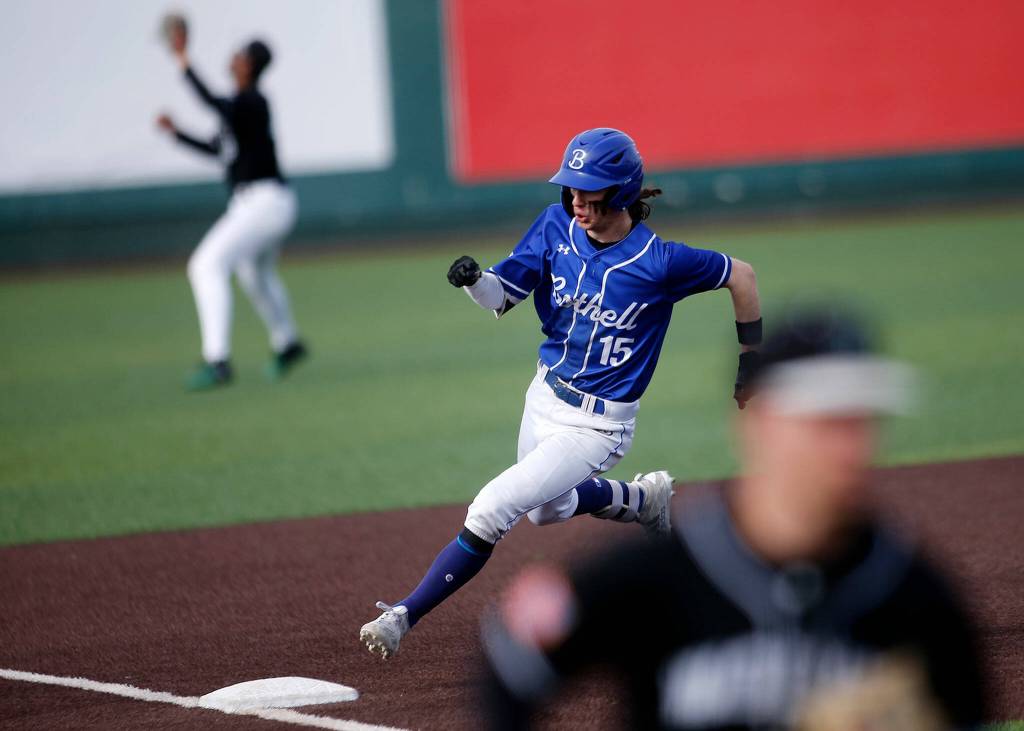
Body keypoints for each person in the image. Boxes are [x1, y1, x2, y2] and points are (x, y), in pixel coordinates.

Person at [481, 307, 987, 730]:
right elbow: (513, 661)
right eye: (825, 422)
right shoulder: (656, 578)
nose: (850, 447)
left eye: (861, 421)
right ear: (760, 424)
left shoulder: (915, 597)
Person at [359, 128, 763, 658]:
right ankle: (643, 499)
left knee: (490, 508)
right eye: (571, 188)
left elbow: (743, 276)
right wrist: (474, 280)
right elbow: (501, 296)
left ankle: (403, 615)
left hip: (597, 427)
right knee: (545, 511)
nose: (576, 200)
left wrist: (751, 362)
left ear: (621, 193)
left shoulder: (661, 262)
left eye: (589, 190)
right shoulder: (555, 228)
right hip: (544, 396)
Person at [156, 17, 307, 390]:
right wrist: (177, 135)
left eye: (240, 55)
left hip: (264, 202)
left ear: (250, 65)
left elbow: (212, 102)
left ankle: (217, 359)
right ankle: (287, 343)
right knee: (254, 274)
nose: (234, 58)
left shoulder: (252, 102)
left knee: (206, 265)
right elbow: (217, 149)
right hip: (261, 204)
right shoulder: (239, 110)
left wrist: (183, 59)